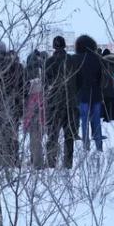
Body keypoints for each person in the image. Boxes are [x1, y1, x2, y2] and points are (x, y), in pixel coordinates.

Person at [44, 36, 76, 168]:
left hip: (54, 102)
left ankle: (51, 162)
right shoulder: (72, 61)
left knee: (52, 134)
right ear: (64, 45)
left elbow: (45, 83)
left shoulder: (49, 61)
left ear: (53, 46)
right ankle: (68, 163)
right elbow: (77, 81)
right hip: (70, 102)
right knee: (69, 135)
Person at [73, 35, 106, 152]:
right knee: (96, 120)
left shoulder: (76, 59)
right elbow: (100, 77)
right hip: (96, 93)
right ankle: (99, 146)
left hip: (82, 94)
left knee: (84, 121)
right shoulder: (97, 58)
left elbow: (75, 78)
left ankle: (86, 146)